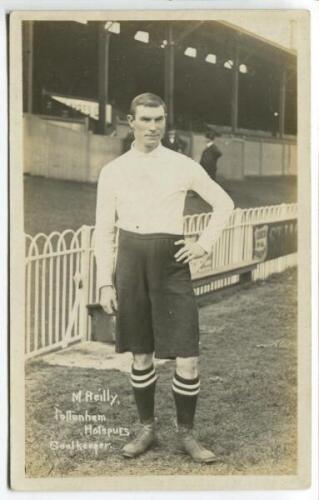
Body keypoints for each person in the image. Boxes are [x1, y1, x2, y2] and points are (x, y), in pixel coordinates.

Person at [94, 93, 234, 463]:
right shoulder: (114, 170)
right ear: (131, 121)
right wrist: (105, 282)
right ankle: (147, 429)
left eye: (159, 119)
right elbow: (103, 230)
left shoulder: (182, 165)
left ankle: (186, 433)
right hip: (130, 260)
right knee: (141, 355)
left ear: (165, 121)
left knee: (187, 357)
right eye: (146, 119)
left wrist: (204, 244)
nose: (153, 126)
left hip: (171, 263)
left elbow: (224, 204)